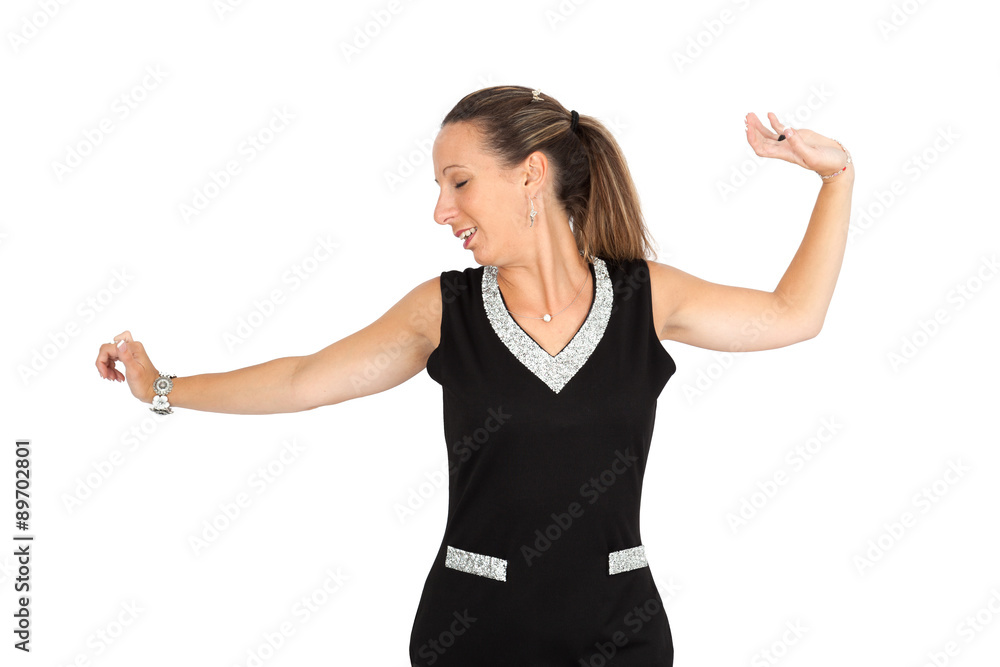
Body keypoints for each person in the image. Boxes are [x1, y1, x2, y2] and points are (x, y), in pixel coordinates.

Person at [95, 85, 854, 665]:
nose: (441, 210)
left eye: (458, 183)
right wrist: (160, 386)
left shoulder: (646, 298)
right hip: (475, 636)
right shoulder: (444, 311)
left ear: (530, 176)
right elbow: (303, 380)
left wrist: (837, 179)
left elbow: (793, 314)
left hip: (621, 635)